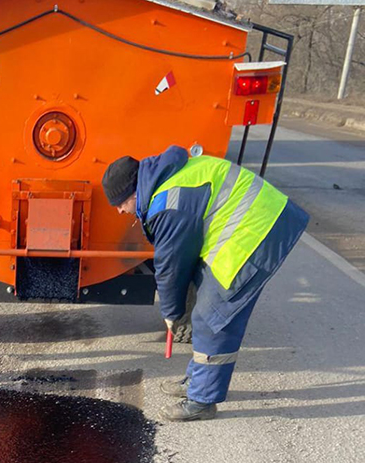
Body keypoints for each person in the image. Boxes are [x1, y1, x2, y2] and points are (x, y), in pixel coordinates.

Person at [102, 145, 309, 421]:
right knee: (205, 307)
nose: (118, 211)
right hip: (250, 224)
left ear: (133, 192)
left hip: (257, 231)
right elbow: (182, 260)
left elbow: (171, 267)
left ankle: (201, 401)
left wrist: (171, 313)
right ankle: (196, 381)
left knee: (212, 318)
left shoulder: (167, 203)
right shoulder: (168, 179)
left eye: (119, 204)